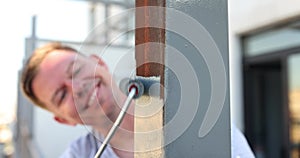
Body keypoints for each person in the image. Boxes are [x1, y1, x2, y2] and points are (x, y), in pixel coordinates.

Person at [21, 42, 255, 158]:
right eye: (61, 95)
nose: (77, 87)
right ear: (63, 120)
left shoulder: (198, 122)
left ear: (99, 63)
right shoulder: (78, 155)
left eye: (76, 70)